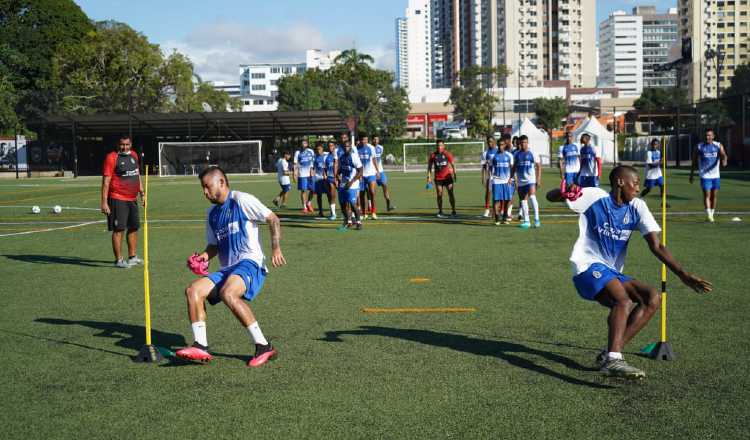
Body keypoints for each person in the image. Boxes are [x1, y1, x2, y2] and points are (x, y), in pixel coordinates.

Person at [546, 166, 712, 379]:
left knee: (651, 297)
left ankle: (610, 354)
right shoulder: (595, 196)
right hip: (587, 266)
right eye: (634, 182)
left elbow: (657, 246)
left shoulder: (637, 207)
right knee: (623, 301)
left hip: (610, 271)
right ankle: (614, 361)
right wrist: (563, 191)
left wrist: (683, 274)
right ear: (620, 182)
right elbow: (552, 197)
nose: (638, 187)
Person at [175, 167, 286, 367]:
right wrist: (203, 257)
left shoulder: (241, 200)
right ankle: (201, 346)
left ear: (222, 183)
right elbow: (213, 246)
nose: (205, 192)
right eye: (203, 188)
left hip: (250, 263)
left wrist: (276, 249)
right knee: (193, 291)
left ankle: (264, 346)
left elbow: (273, 218)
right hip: (228, 269)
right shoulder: (211, 214)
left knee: (228, 293)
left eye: (207, 187)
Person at [100, 135, 144, 269]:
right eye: (122, 144)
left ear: (131, 144)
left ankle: (132, 257)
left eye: (127, 144)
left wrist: (142, 192)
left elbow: (137, 175)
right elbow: (106, 181)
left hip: (132, 199)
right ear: (117, 144)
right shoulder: (112, 157)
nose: (124, 147)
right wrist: (104, 202)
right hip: (117, 198)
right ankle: (118, 260)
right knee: (119, 230)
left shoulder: (134, 155)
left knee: (134, 227)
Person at [689, 128, 728, 223]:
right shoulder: (699, 147)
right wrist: (692, 174)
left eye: (709, 135)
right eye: (706, 135)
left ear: (713, 136)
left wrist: (724, 160)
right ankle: (709, 215)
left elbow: (724, 155)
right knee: (707, 195)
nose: (707, 137)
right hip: (705, 175)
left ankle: (712, 213)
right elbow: (694, 161)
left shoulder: (718, 145)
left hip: (716, 175)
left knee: (713, 196)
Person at [513, 135, 541, 228]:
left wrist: (538, 179)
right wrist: (511, 177)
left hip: (530, 180)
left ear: (527, 143)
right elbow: (514, 167)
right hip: (521, 181)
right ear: (519, 144)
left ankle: (537, 219)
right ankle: (527, 221)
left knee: (532, 197)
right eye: (522, 143)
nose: (523, 144)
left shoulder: (533, 153)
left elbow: (538, 166)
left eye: (525, 142)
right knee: (523, 201)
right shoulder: (516, 154)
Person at [337, 140, 364, 230]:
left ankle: (359, 222)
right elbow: (340, 170)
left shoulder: (354, 157)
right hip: (343, 183)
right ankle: (348, 221)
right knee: (342, 204)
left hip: (353, 184)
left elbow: (360, 171)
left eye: (348, 146)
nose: (346, 148)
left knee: (352, 203)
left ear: (351, 147)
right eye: (344, 147)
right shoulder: (341, 157)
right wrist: (337, 176)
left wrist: (351, 181)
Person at [427, 139, 457, 218]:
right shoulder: (433, 155)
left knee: (451, 193)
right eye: (438, 145)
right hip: (438, 178)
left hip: (448, 177)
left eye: (441, 145)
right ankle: (440, 211)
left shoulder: (447, 154)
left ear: (444, 146)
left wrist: (455, 174)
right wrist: (428, 177)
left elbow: (453, 164)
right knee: (439, 194)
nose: (439, 147)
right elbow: (429, 168)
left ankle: (453, 211)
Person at [489, 139, 514, 225]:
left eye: (502, 145)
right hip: (496, 181)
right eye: (499, 145)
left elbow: (512, 168)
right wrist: (491, 180)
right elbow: (490, 169)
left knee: (507, 200)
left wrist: (512, 179)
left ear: (505, 145)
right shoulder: (494, 157)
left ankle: (505, 216)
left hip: (506, 181)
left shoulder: (509, 156)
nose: (500, 147)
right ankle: (497, 218)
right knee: (497, 200)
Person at [357, 135, 379, 219]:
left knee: (372, 192)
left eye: (366, 139)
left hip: (371, 173)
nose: (364, 141)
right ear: (360, 140)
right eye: (363, 139)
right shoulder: (356, 149)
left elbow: (374, 160)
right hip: (361, 175)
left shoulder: (371, 148)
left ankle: (373, 212)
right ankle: (364, 213)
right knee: (362, 194)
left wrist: (377, 171)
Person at [372, 135, 395, 212]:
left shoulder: (381, 148)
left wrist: (387, 160)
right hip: (372, 172)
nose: (376, 141)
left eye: (377, 139)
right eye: (374, 139)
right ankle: (371, 208)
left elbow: (380, 159)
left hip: (380, 171)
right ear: (372, 140)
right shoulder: (370, 148)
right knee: (372, 191)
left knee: (385, 185)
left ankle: (388, 205)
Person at [640, 139, 665, 203]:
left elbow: (662, 159)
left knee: (662, 186)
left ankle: (663, 202)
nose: (654, 146)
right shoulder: (649, 153)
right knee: (649, 189)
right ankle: (640, 197)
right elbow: (651, 165)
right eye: (653, 144)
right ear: (651, 145)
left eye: (656, 144)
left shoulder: (659, 152)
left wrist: (661, 161)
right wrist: (660, 162)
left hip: (658, 173)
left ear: (658, 145)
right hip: (651, 174)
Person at [481, 136, 500, 218]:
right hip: (490, 176)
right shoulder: (485, 153)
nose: (490, 143)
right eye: (488, 142)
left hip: (499, 176)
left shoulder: (499, 151)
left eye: (491, 141)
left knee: (498, 194)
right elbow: (483, 166)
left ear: (495, 142)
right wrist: (483, 178)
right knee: (488, 193)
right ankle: (487, 209)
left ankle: (498, 210)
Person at [294, 140, 315, 213]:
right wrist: (295, 174)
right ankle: (304, 207)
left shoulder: (311, 151)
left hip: (310, 173)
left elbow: (313, 161)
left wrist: (313, 170)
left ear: (307, 144)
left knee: (313, 190)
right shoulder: (297, 152)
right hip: (302, 174)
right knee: (303, 190)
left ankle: (309, 202)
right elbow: (295, 164)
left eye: (305, 143)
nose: (304, 145)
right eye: (302, 143)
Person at [313, 142, 330, 217]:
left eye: (319, 149)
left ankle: (332, 210)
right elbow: (313, 168)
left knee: (329, 194)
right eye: (317, 150)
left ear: (322, 149)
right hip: (318, 178)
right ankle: (320, 211)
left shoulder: (327, 155)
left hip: (326, 178)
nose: (318, 151)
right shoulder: (314, 157)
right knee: (319, 195)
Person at [324, 140, 338, 220]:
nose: (330, 147)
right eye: (329, 146)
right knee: (331, 196)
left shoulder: (338, 155)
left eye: (332, 146)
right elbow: (325, 168)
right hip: (330, 178)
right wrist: (325, 175)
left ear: (334, 146)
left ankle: (349, 213)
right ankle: (333, 213)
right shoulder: (326, 156)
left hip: (339, 178)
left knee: (344, 196)